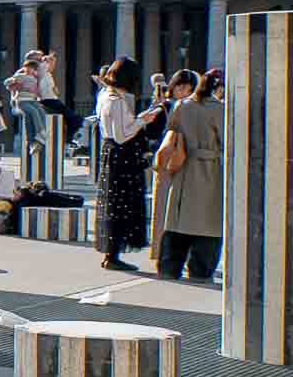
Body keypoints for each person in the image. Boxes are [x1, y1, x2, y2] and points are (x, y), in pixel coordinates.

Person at [91, 57, 166, 273]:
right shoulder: (116, 100)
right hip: (122, 156)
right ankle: (113, 255)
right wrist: (143, 120)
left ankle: (111, 253)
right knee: (121, 204)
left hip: (111, 153)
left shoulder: (104, 95)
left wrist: (142, 117)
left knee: (112, 203)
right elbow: (122, 135)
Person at [155, 68, 223, 281]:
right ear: (219, 89)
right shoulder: (220, 109)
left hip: (183, 167)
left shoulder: (182, 105)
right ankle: (200, 269)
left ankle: (169, 266)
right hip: (211, 168)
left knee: (177, 220)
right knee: (208, 223)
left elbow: (172, 131)